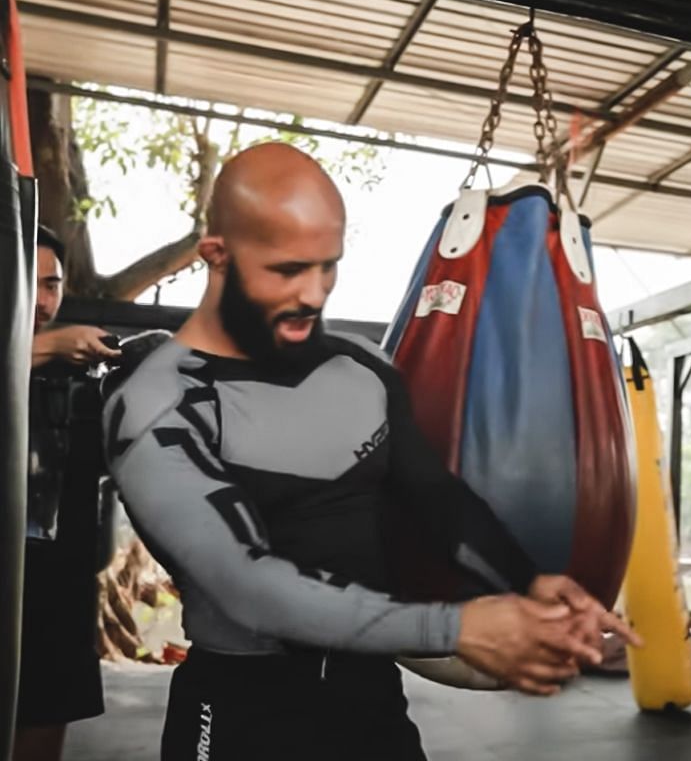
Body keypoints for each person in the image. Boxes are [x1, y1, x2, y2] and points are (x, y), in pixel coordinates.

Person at [101, 142, 637, 761]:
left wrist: (532, 580)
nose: (309, 289)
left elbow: (433, 494)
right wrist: (456, 628)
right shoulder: (154, 399)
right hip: (240, 707)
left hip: (369, 698)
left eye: (324, 262)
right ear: (217, 255)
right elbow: (245, 583)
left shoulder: (360, 370)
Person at [15, 227, 119, 761]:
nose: (43, 299)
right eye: (27, 281)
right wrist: (46, 345)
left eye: (52, 284)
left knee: (45, 715)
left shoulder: (76, 372)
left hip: (57, 583)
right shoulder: (47, 350)